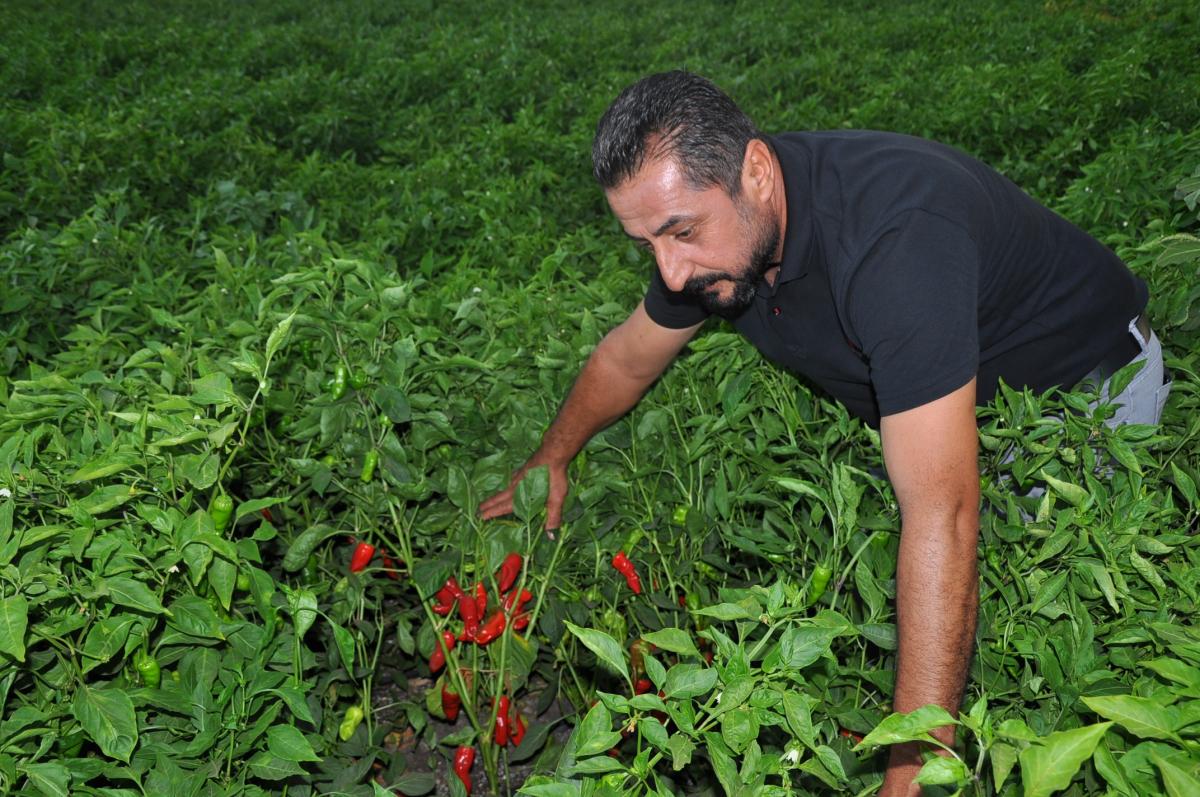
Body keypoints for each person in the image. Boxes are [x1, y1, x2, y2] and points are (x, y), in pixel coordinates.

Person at [479, 70, 1170, 796]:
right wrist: (550, 458)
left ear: (755, 170)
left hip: (1084, 396)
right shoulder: (717, 240)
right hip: (960, 402)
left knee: (1048, 639)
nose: (671, 272)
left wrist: (910, 763)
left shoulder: (894, 238)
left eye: (681, 231)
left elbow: (943, 513)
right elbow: (628, 356)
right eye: (646, 243)